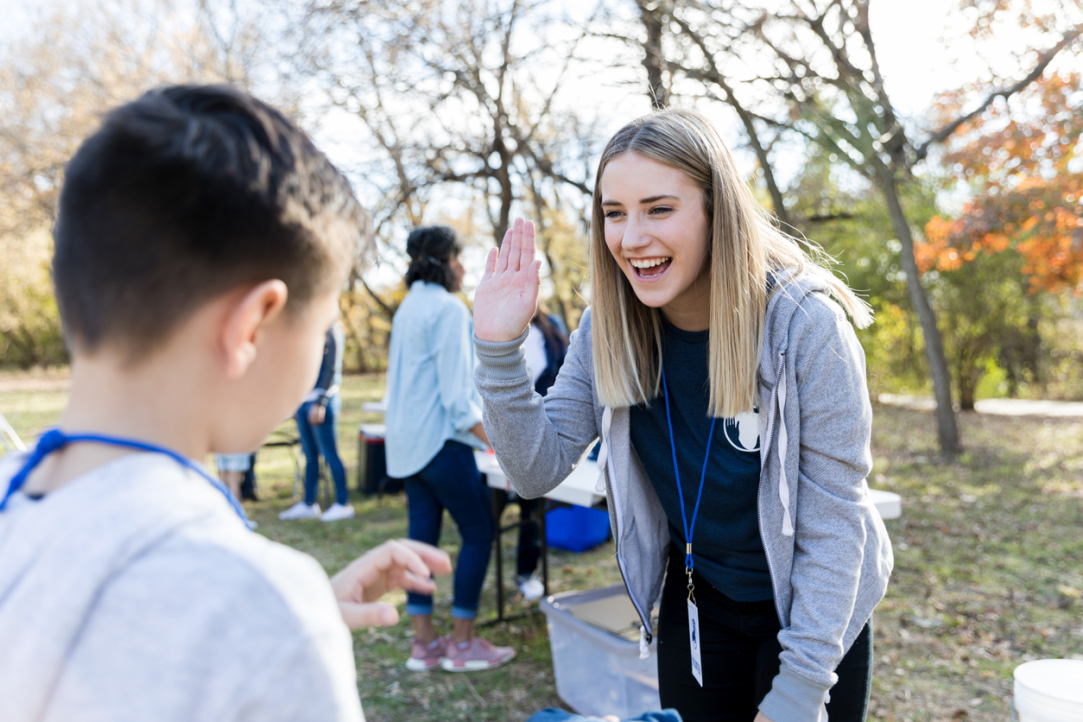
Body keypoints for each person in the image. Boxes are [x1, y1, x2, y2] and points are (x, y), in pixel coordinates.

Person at [0, 84, 454, 722]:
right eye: (321, 323)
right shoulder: (259, 606)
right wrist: (280, 628)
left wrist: (287, 619)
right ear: (253, 326)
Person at [471, 109, 893, 722]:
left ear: (717, 211)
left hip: (814, 612)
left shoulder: (805, 327)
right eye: (613, 213)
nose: (631, 237)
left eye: (658, 209)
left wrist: (800, 690)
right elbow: (535, 470)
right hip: (699, 599)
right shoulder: (606, 329)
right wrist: (498, 350)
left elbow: (836, 519)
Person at [384, 225, 515, 672]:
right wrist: (503, 444)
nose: (464, 266)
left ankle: (425, 646)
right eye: (460, 257)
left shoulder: (407, 309)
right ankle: (462, 643)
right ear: (445, 261)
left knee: (421, 545)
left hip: (406, 449)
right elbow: (458, 401)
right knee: (479, 533)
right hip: (441, 445)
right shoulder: (448, 310)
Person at [497, 307, 569, 600]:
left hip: (545, 433)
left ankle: (526, 574)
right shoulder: (496, 326)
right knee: (486, 519)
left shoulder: (552, 326)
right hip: (502, 434)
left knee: (533, 510)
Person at [280, 322, 354, 522]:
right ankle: (309, 503)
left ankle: (343, 503)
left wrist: (320, 402)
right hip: (304, 401)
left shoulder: (333, 330)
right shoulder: (312, 327)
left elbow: (332, 368)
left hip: (323, 402)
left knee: (330, 453)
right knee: (310, 455)